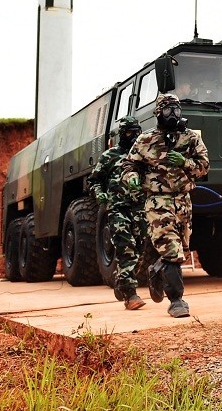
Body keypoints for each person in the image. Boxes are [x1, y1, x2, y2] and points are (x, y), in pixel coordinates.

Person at [121, 93, 209, 319]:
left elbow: (204, 167)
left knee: (182, 249)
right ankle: (176, 300)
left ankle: (157, 269)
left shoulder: (190, 138)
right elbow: (128, 165)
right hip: (157, 201)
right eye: (168, 110)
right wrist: (131, 177)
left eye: (176, 109)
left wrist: (184, 162)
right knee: (171, 249)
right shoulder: (146, 140)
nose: (173, 114)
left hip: (184, 200)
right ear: (158, 113)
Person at [85, 116, 146, 309]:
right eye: (129, 133)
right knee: (126, 248)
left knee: (140, 250)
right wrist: (99, 194)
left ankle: (121, 281)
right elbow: (93, 181)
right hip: (118, 209)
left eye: (137, 133)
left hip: (139, 208)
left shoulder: (142, 156)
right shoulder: (109, 156)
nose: (134, 136)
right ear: (122, 134)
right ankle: (131, 295)